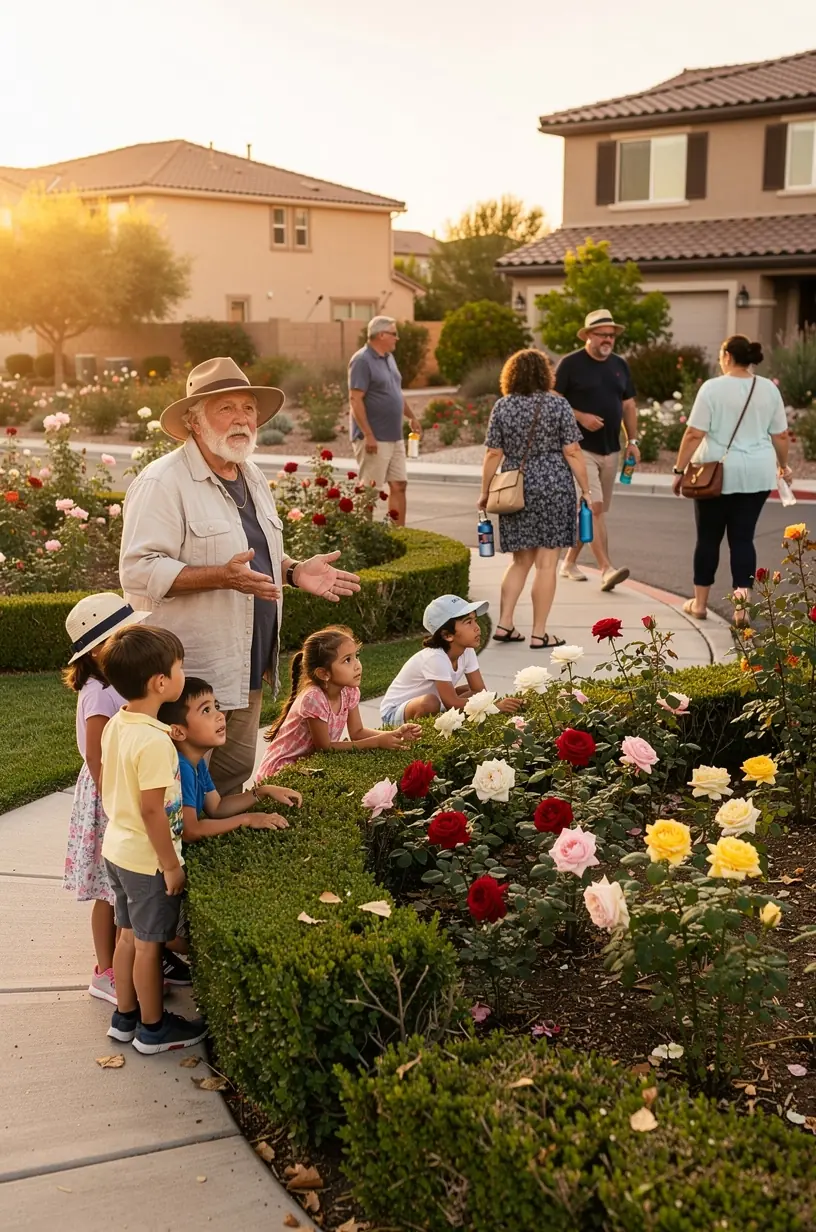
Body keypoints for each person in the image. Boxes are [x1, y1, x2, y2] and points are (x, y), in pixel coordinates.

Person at [119, 356, 361, 799]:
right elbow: (138, 571)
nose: (241, 419)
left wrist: (292, 570)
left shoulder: (251, 475)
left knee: (228, 786)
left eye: (248, 408)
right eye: (225, 407)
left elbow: (254, 553)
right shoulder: (163, 483)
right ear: (194, 420)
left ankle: (219, 869)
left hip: (249, 668)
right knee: (178, 795)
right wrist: (220, 577)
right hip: (193, 678)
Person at [99, 623, 206, 1054]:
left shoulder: (119, 724)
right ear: (161, 682)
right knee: (149, 945)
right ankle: (154, 1028)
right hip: (147, 861)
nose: (182, 672)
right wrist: (171, 864)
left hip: (117, 850)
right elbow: (152, 811)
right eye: (179, 666)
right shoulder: (157, 744)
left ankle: (124, 1016)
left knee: (126, 936)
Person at [62, 593, 148, 1006]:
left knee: (122, 887)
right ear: (99, 651)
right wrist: (113, 799)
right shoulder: (97, 692)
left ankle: (128, 960)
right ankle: (106, 971)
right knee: (107, 888)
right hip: (105, 793)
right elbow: (95, 753)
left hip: (120, 787)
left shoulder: (118, 683)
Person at [671, 334, 790, 624]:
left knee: (708, 538)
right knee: (743, 539)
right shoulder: (768, 389)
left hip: (715, 474)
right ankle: (742, 607)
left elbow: (694, 433)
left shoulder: (712, 388)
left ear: (726, 356)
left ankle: (699, 604)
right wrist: (783, 466)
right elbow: (781, 435)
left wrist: (679, 469)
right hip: (757, 474)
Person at [478, 349, 592, 648]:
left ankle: (505, 624)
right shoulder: (558, 405)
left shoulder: (502, 407)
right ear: (545, 374)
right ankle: (539, 633)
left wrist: (485, 490)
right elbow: (572, 451)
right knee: (546, 564)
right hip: (554, 485)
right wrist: (586, 489)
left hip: (516, 486)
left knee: (519, 562)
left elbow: (493, 453)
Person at [256, 626, 421, 779]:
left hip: (309, 764)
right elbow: (325, 747)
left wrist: (393, 735)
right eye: (347, 660)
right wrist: (377, 742)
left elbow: (357, 731)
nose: (357, 665)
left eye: (357, 656)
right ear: (323, 673)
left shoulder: (349, 691)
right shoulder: (314, 698)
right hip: (282, 769)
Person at [555, 309, 640, 591]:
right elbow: (553, 397)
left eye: (611, 335)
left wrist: (633, 442)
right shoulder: (570, 364)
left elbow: (628, 405)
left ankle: (568, 562)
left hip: (610, 450)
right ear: (588, 335)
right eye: (602, 334)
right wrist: (580, 416)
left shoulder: (620, 365)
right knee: (595, 507)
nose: (608, 339)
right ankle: (606, 569)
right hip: (579, 449)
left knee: (592, 511)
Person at [158, 676, 303, 837]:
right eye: (206, 710)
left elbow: (217, 807)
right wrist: (248, 819)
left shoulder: (196, 763)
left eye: (216, 706)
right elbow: (191, 831)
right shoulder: (181, 768)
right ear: (178, 732)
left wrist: (262, 791)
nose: (219, 715)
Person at [380, 595, 524, 724]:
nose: (477, 628)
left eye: (475, 620)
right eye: (468, 622)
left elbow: (480, 691)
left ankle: (444, 719)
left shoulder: (467, 650)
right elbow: (451, 703)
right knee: (430, 703)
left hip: (437, 702)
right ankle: (422, 735)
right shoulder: (435, 658)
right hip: (394, 712)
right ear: (447, 635)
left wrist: (488, 703)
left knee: (474, 693)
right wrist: (493, 707)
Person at [348, 316, 423, 526]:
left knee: (399, 484)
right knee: (370, 491)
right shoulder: (362, 360)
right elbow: (355, 399)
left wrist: (411, 416)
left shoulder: (388, 358)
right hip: (374, 437)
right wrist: (368, 435)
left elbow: (395, 392)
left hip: (394, 436)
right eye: (393, 333)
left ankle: (399, 534)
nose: (396, 338)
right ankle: (364, 537)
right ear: (381, 335)